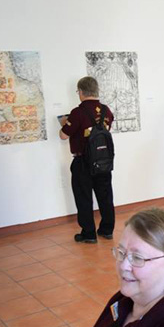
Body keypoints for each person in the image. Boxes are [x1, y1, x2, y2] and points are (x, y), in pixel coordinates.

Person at [59, 76, 115, 243]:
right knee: (105, 196)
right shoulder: (106, 110)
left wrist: (65, 123)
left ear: (81, 92)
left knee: (84, 197)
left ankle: (89, 234)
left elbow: (63, 135)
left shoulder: (77, 112)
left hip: (82, 161)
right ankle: (107, 230)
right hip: (103, 160)